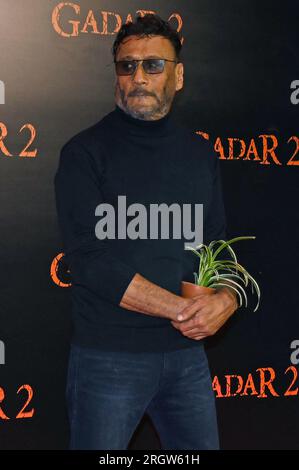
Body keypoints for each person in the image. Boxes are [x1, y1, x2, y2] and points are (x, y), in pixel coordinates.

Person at [54, 13, 238, 450]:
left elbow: (219, 246)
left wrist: (228, 299)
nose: (138, 76)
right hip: (107, 359)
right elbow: (89, 261)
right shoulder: (84, 153)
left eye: (153, 65)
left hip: (187, 361)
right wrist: (182, 311)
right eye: (127, 65)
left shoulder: (199, 154)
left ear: (178, 76)